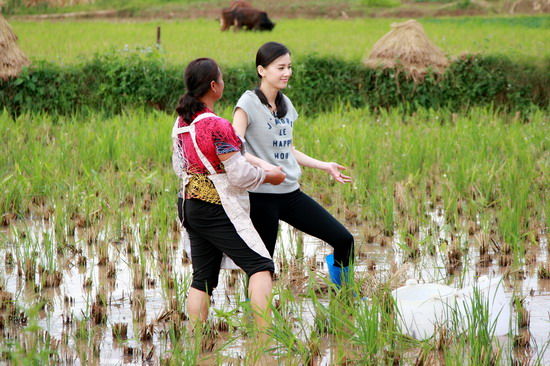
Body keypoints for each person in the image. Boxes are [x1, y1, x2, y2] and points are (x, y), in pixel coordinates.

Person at [171, 58, 286, 329]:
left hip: (188, 204)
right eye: (221, 79)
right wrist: (270, 175)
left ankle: (196, 341)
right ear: (214, 86)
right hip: (215, 205)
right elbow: (239, 175)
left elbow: (180, 167)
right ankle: (264, 337)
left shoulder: (181, 123)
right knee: (260, 265)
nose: (223, 83)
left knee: (203, 278)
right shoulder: (218, 126)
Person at [233, 42, 355, 287]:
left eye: (289, 67)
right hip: (261, 196)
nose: (287, 72)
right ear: (262, 70)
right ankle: (256, 317)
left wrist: (324, 165)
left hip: (290, 194)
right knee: (262, 265)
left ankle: (343, 297)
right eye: (280, 67)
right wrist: (265, 167)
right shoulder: (247, 104)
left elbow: (287, 149)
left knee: (344, 239)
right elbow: (234, 147)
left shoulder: (286, 104)